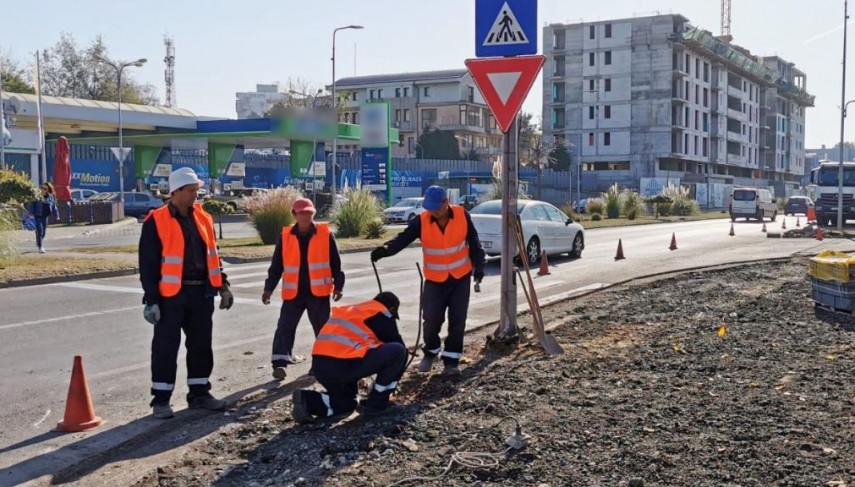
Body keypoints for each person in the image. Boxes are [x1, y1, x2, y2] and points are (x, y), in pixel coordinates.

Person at [138, 167, 234, 419]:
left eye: (196, 190)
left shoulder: (204, 218)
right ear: (176, 192)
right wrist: (152, 300)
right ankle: (161, 400)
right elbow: (147, 265)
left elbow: (214, 255)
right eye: (191, 191)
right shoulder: (155, 221)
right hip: (171, 297)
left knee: (201, 346)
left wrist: (223, 285)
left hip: (201, 293)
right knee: (165, 348)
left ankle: (200, 393)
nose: (195, 195)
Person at [371, 185, 485, 376]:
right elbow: (403, 238)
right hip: (435, 279)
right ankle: (430, 353)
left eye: (436, 208)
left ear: (446, 203)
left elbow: (474, 242)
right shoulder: (422, 221)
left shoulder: (462, 215)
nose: (432, 211)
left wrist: (479, 265)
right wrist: (385, 250)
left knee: (457, 320)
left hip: (460, 278)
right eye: (428, 208)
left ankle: (451, 361)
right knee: (431, 319)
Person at [262, 197, 344, 380]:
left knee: (322, 329)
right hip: (294, 293)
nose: (306, 216)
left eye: (309, 212)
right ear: (294, 215)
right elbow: (276, 266)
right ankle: (280, 363)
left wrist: (339, 285)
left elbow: (335, 263)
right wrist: (268, 289)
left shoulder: (325, 234)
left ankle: (321, 365)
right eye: (302, 213)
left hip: (318, 293)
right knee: (285, 326)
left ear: (313, 213)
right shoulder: (285, 236)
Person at [291, 292, 406, 423]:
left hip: (321, 367)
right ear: (391, 308)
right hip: (342, 365)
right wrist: (393, 378)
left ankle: (307, 400)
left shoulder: (353, 310)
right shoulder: (381, 312)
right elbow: (398, 350)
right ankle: (377, 406)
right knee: (398, 351)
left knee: (348, 404)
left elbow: (351, 344)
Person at [30, 182, 59, 254]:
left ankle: (38, 241)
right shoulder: (37, 196)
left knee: (43, 233)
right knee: (40, 230)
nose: (42, 190)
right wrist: (31, 213)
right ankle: (40, 247)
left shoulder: (50, 196)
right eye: (41, 188)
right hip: (37, 215)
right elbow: (32, 204)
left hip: (45, 216)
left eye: (45, 189)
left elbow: (54, 206)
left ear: (48, 190)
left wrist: (56, 215)